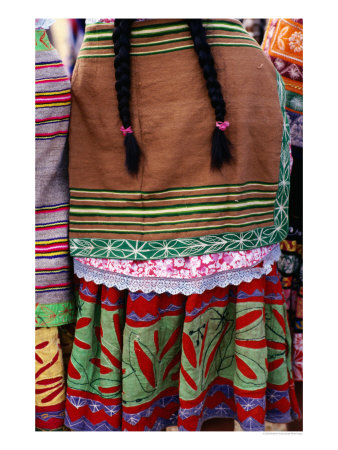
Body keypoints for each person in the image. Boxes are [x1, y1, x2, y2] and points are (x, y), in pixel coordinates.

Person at [64, 18, 300, 431]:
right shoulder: (236, 49)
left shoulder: (102, 50)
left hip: (129, 255)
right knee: (216, 401)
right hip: (231, 246)